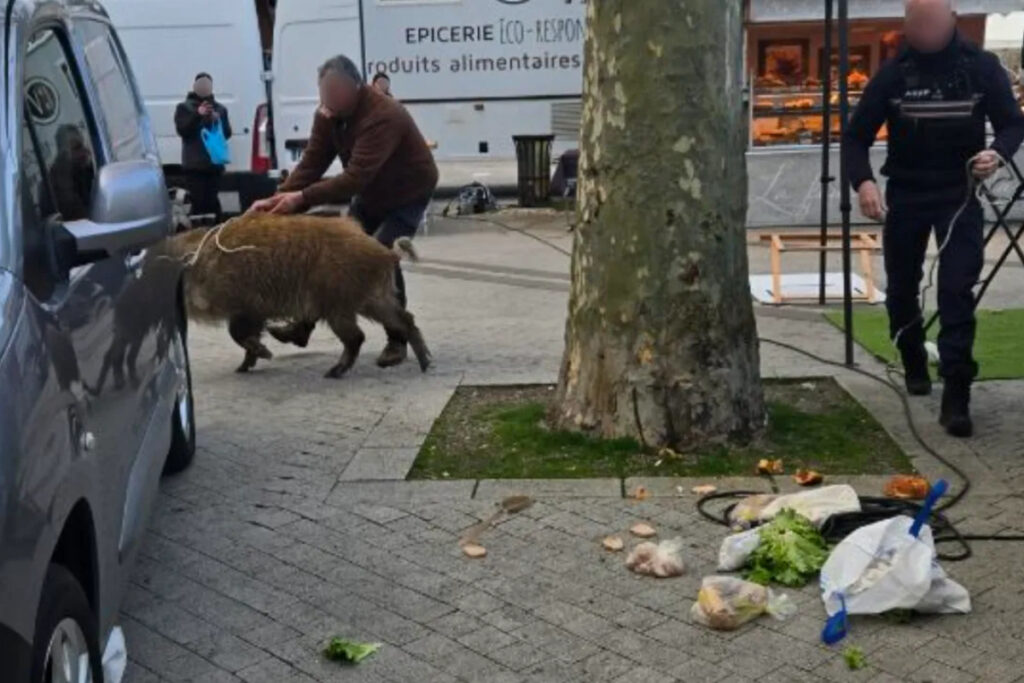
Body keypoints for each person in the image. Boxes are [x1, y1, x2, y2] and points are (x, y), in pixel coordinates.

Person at [843, 0, 1024, 438]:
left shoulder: (981, 67)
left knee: (956, 289)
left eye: (933, 23)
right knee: (902, 285)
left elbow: (1013, 125)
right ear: (906, 26)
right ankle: (912, 357)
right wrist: (864, 183)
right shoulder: (893, 74)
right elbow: (855, 137)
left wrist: (997, 153)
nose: (925, 31)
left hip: (959, 193)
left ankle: (957, 389)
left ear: (952, 21)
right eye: (917, 24)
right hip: (906, 192)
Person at [249, 55, 438, 368]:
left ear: (357, 87)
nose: (328, 100)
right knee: (330, 255)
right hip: (371, 194)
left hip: (407, 192)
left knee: (379, 256)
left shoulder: (384, 114)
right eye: (324, 92)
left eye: (335, 92)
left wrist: (300, 199)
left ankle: (398, 339)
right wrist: (278, 199)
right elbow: (312, 163)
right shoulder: (328, 114)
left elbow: (354, 178)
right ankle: (303, 326)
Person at [175, 73, 232, 222]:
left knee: (213, 202)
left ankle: (216, 229)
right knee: (198, 203)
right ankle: (200, 230)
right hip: (194, 165)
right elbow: (183, 130)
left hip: (214, 164)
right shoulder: (184, 108)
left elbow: (227, 133)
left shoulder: (220, 109)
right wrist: (197, 115)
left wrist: (217, 121)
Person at [47, 124, 95, 221]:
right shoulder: (57, 183)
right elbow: (77, 215)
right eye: (77, 148)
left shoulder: (85, 171)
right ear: (62, 153)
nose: (86, 151)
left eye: (84, 145)